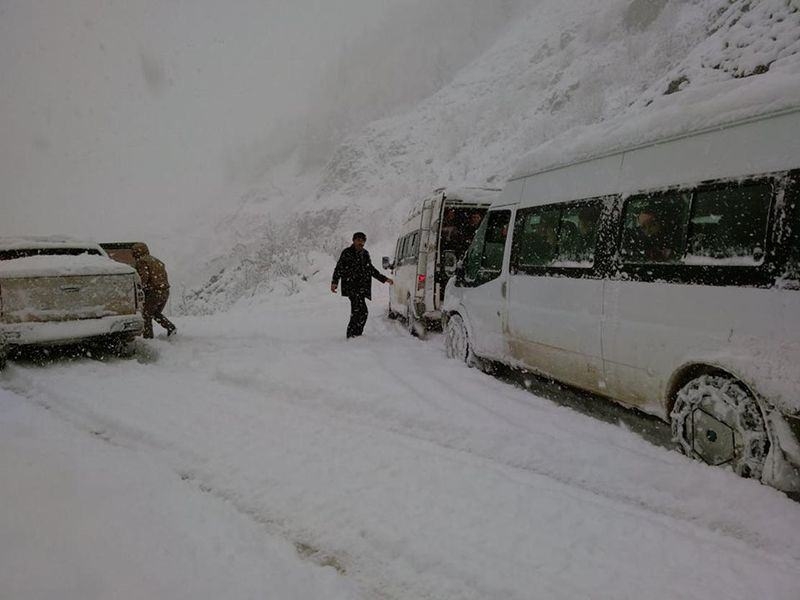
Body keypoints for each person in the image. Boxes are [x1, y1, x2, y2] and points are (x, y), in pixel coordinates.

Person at [331, 232, 393, 338]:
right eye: (358, 240)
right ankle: (352, 335)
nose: (361, 242)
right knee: (359, 311)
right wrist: (334, 282)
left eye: (362, 240)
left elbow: (371, 270)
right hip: (351, 286)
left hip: (362, 287)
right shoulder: (347, 253)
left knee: (362, 312)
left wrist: (384, 279)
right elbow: (339, 268)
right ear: (354, 240)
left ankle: (356, 334)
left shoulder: (365, 254)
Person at [132, 242, 176, 339]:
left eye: (134, 252)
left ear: (137, 252)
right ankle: (171, 328)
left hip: (154, 292)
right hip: (164, 291)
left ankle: (148, 338)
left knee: (146, 315)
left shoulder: (142, 261)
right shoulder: (156, 261)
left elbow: (143, 278)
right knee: (154, 313)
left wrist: (137, 288)